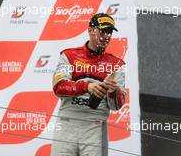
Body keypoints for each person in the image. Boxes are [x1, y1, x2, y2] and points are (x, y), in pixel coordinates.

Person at [51, 13, 126, 156]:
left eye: (109, 32)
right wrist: (86, 87)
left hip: (95, 124)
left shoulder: (117, 65)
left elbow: (116, 105)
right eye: (102, 31)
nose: (106, 36)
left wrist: (112, 91)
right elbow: (58, 87)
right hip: (68, 121)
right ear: (91, 30)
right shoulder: (69, 55)